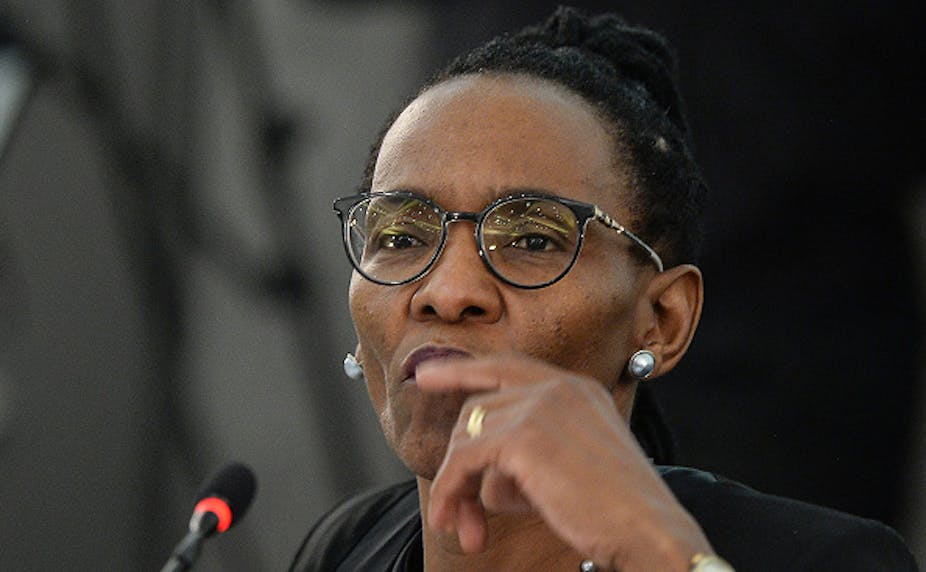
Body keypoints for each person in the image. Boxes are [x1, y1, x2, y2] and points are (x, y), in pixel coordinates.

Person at [290, 7, 918, 571]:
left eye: (533, 240)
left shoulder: (820, 558)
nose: (448, 292)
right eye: (401, 236)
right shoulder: (347, 545)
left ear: (663, 320)